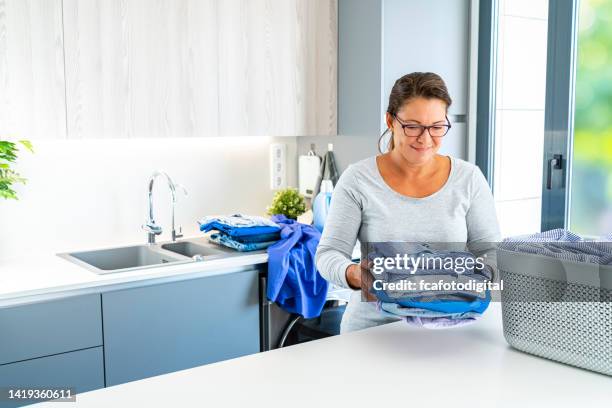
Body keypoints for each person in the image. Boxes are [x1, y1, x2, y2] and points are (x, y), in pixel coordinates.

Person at [315, 72, 501, 333]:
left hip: (452, 328)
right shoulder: (357, 180)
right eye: (412, 126)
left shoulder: (468, 179)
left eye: (437, 127)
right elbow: (328, 254)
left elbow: (490, 252)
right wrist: (355, 274)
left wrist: (472, 278)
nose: (425, 139)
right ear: (391, 120)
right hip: (372, 331)